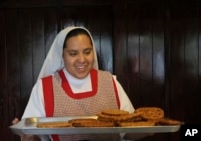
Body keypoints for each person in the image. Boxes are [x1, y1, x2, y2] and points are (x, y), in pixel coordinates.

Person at [12, 26, 152, 141]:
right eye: (73, 54)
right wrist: (27, 137)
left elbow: (129, 131)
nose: (82, 60)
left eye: (87, 52)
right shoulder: (45, 88)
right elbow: (34, 135)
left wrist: (150, 127)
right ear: (62, 55)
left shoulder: (110, 82)